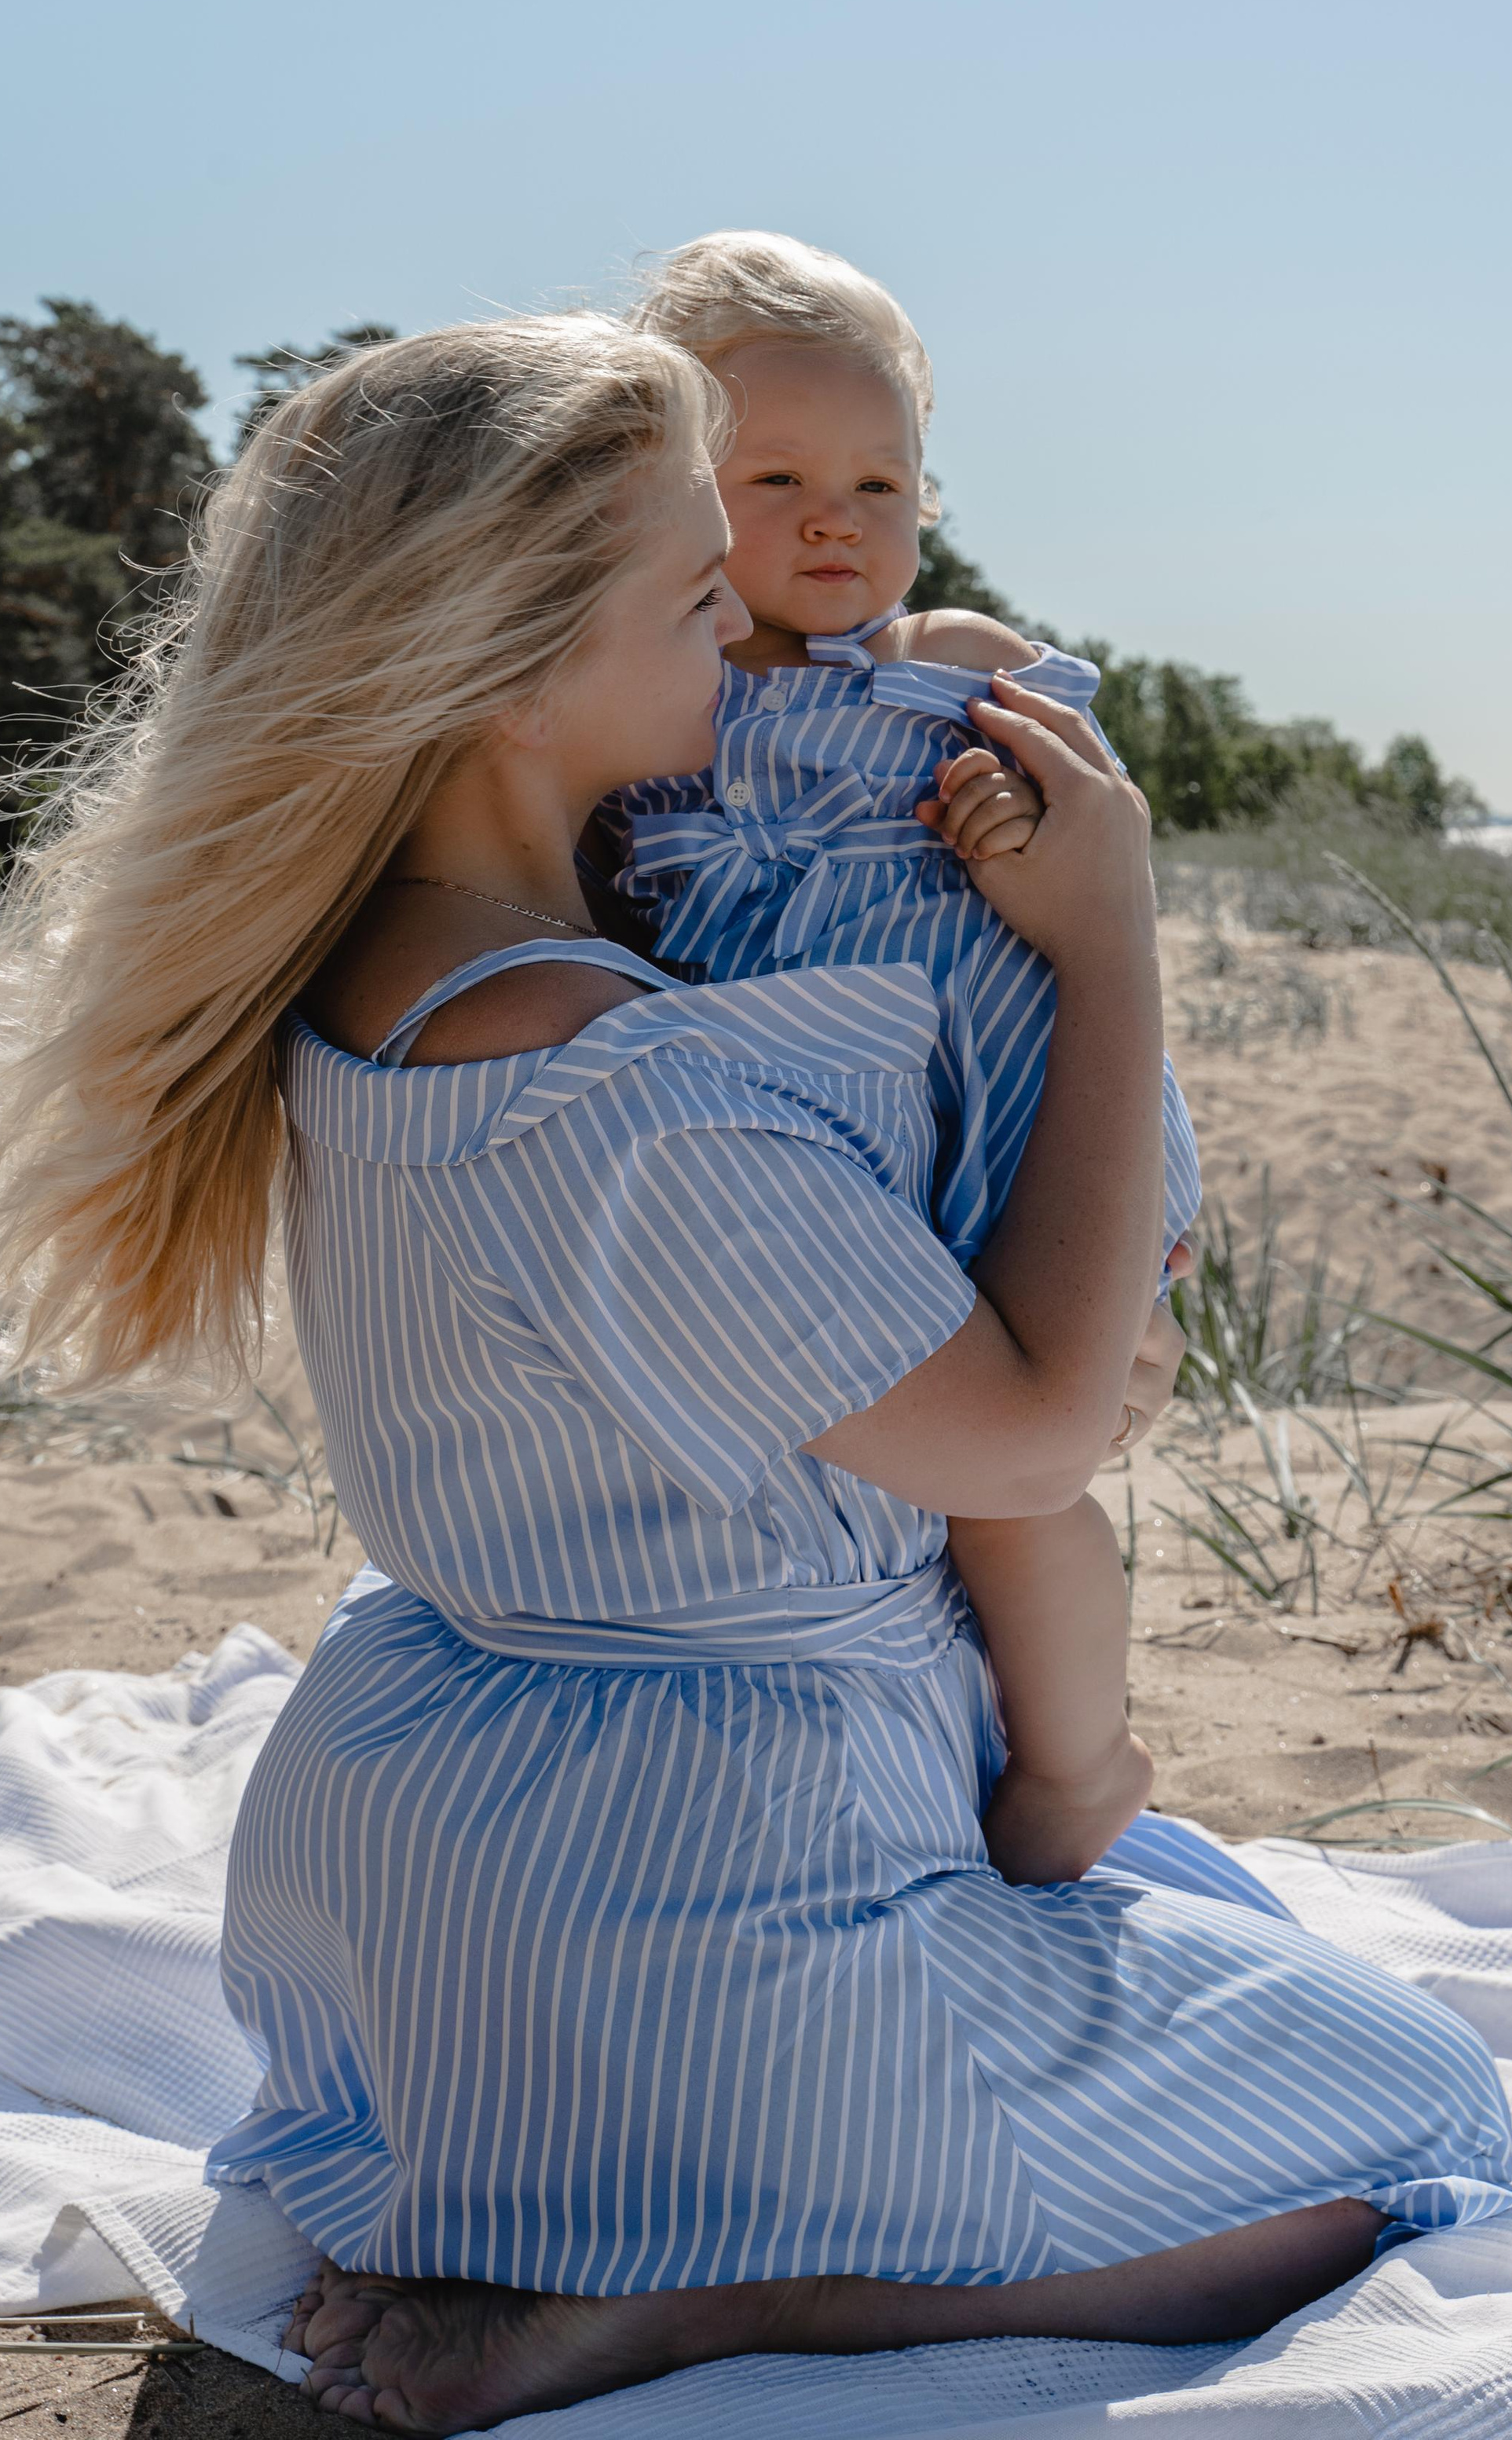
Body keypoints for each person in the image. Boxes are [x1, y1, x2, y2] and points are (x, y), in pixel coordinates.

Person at [0, 311, 1512, 2436]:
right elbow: (1035, 1432)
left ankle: (605, 2206)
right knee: (1429, 2117)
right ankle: (722, 2293)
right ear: (508, 669)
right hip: (698, 1909)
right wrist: (1106, 932)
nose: (740, 629)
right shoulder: (623, 1090)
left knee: (1195, 1915)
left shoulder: (369, 974)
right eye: (690, 596)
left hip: (424, 1909)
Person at [610, 228, 1195, 1884]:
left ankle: (1079, 1762)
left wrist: (1008, 798)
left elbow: (1090, 823)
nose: (833, 519)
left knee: (1015, 1493)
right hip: (817, 1156)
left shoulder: (951, 665)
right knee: (889, 1474)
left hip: (999, 1115)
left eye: (879, 483)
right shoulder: (654, 700)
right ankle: (954, 1731)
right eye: (774, 478)